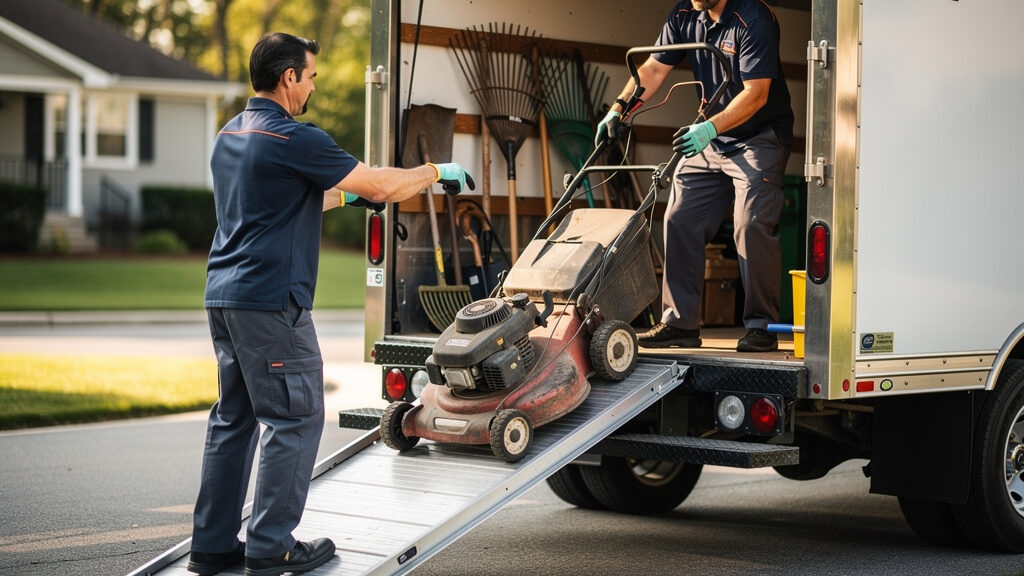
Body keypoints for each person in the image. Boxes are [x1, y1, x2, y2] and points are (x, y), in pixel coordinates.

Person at [187, 32, 474, 576]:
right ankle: (272, 547)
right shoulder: (294, 137)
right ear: (288, 77)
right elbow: (383, 184)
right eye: (311, 76)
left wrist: (347, 192)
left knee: (233, 419)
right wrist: (436, 172)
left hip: (225, 298)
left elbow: (290, 196)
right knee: (296, 417)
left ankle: (213, 545)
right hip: (273, 304)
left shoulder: (231, 134)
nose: (314, 86)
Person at [596, 0, 793, 352]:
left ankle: (761, 327)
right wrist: (618, 109)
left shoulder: (755, 19)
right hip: (712, 137)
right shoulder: (684, 15)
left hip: (758, 138)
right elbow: (654, 69)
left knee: (750, 225)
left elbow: (757, 93)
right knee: (680, 217)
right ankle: (680, 324)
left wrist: (708, 129)